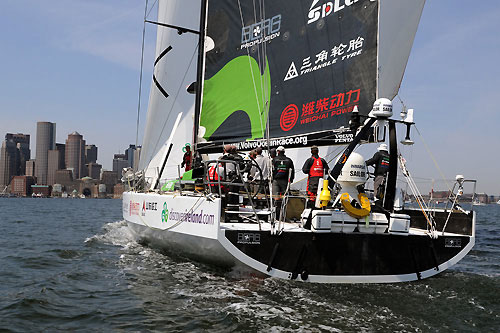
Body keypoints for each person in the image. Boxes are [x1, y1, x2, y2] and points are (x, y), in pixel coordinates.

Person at [272, 146, 294, 219]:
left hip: (276, 180)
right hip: (285, 180)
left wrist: (271, 179)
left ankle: (276, 216)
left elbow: (271, 170)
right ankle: (283, 215)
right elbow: (292, 171)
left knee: (276, 198)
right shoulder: (289, 160)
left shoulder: (274, 159)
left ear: (278, 151)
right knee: (285, 198)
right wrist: (291, 179)